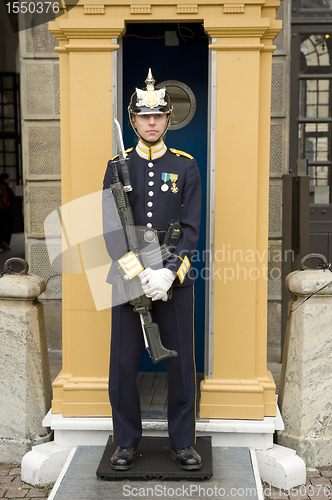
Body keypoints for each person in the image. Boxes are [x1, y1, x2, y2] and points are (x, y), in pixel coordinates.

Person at [102, 69, 202, 471]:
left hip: (172, 278)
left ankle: (182, 443)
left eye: (158, 115)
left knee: (180, 362)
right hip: (128, 277)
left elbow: (193, 229)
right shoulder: (116, 166)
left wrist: (167, 273)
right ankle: (126, 441)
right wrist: (136, 272)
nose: (151, 122)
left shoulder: (186, 166)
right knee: (124, 364)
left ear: (168, 119)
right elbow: (110, 230)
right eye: (144, 116)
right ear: (133, 120)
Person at [0, 173, 14, 251]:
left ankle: (2, 242)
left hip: (1, 211)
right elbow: (10, 199)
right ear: (5, 179)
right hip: (6, 210)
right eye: (8, 179)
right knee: (8, 226)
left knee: (2, 227)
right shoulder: (5, 188)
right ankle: (5, 242)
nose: (9, 180)